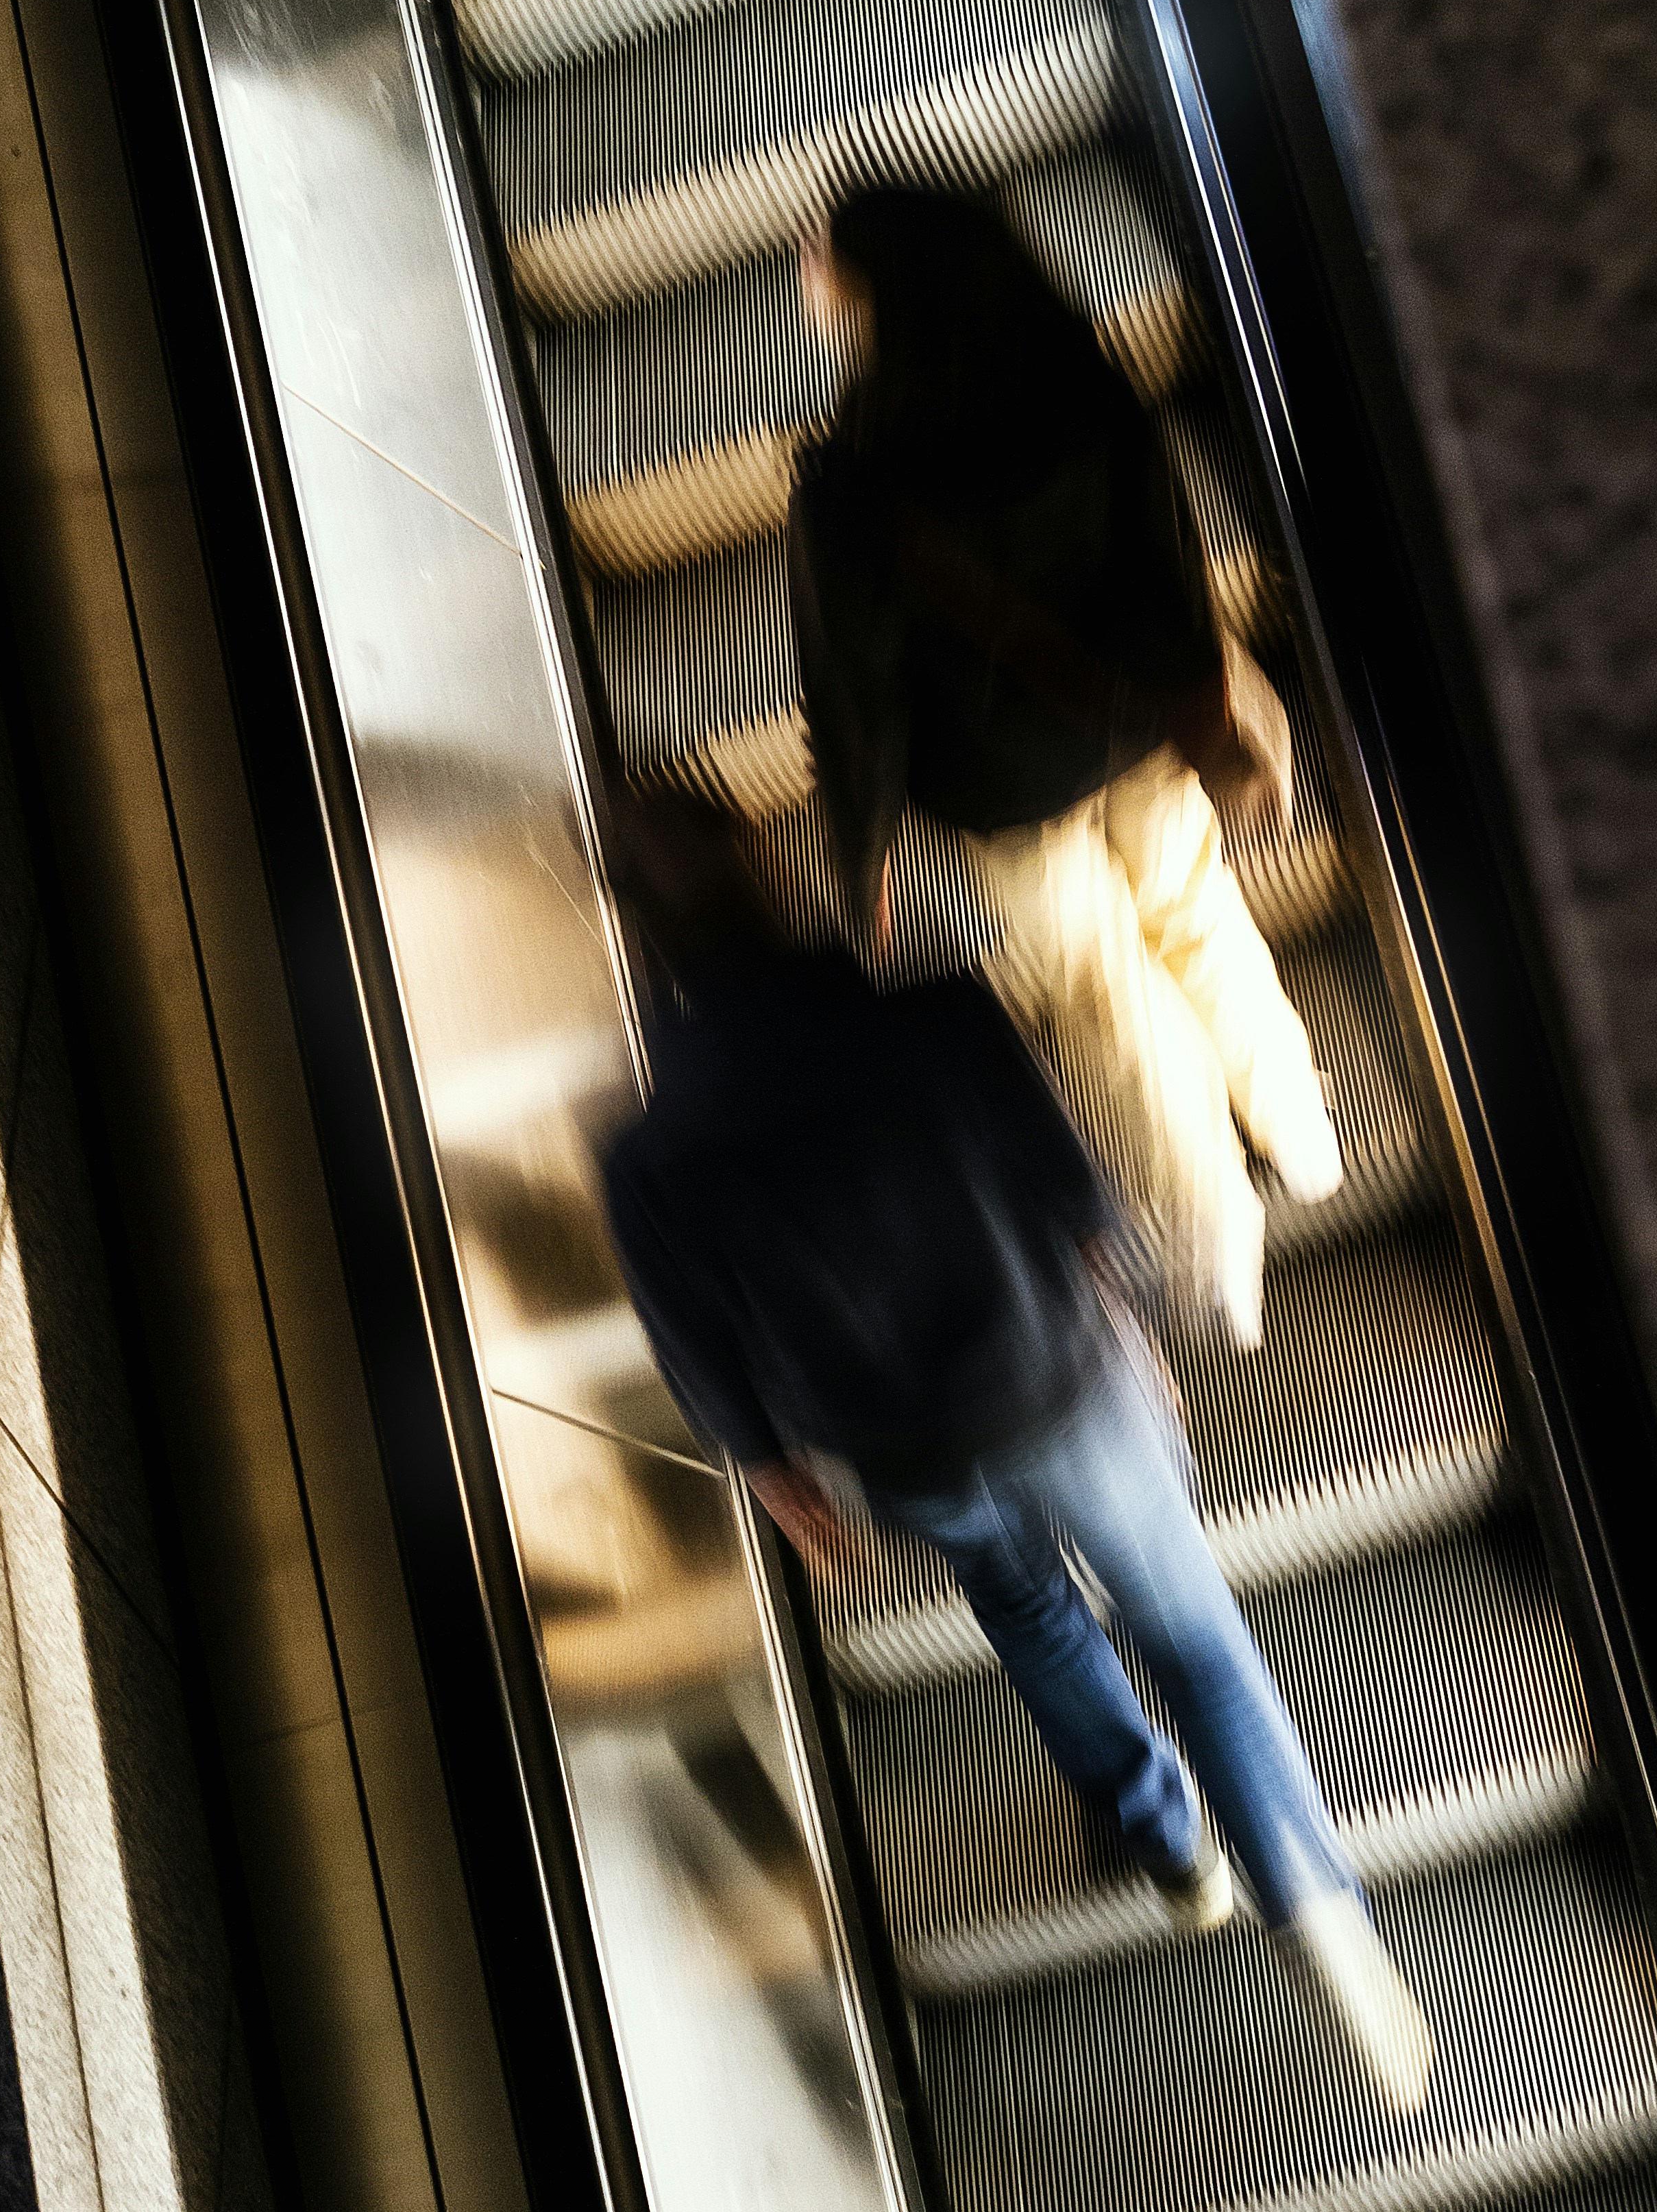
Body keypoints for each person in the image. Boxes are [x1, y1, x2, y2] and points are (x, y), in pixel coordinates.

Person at [596, 792, 1433, 2114]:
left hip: (901, 1446)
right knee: (1196, 1640)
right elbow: (1073, 1189)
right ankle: (1314, 1895)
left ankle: (1166, 1850)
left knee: (1031, 1617)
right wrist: (1134, 1321)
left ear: (644, 951)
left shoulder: (647, 1158)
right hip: (1055, 1375)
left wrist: (769, 1466)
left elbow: (692, 1337)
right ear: (776, 892)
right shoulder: (934, 1016)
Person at [787, 177, 1341, 1349]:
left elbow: (857, 693)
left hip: (1003, 792)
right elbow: (1170, 561)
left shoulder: (851, 485)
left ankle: (1216, 1240)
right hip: (1135, 730)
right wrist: (1201, 705)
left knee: (1106, 992)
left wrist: (864, 853)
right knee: (1197, 914)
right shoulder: (1078, 382)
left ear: (875, 298)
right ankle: (1299, 1127)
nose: (809, 275)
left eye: (825, 261)